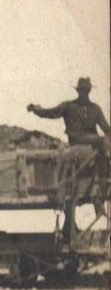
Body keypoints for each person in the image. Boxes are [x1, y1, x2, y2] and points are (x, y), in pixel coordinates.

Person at [28, 77, 110, 216]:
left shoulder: (95, 109)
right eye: (81, 90)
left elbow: (106, 128)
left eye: (86, 90)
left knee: (103, 144)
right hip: (77, 139)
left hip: (94, 142)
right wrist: (37, 109)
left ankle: (101, 193)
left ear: (89, 91)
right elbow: (51, 113)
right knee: (102, 142)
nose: (83, 93)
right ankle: (100, 190)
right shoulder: (69, 106)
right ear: (78, 91)